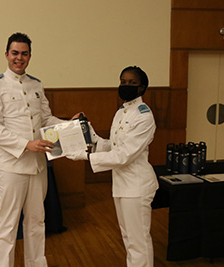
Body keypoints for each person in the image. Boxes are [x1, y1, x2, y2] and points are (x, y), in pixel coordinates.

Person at [0, 32, 79, 267]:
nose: (19, 58)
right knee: (8, 223)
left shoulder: (36, 85)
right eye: (15, 53)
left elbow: (46, 120)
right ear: (6, 54)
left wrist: (70, 125)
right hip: (11, 166)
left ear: (30, 56)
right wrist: (26, 144)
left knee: (37, 221)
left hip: (38, 166)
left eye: (24, 53)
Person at [67, 66, 158, 267]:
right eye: (123, 81)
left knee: (138, 241)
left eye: (131, 83)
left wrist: (85, 157)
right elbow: (112, 145)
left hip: (137, 186)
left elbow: (125, 155)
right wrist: (87, 130)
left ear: (142, 88)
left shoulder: (144, 116)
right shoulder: (122, 111)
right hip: (122, 185)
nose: (125, 86)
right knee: (128, 239)